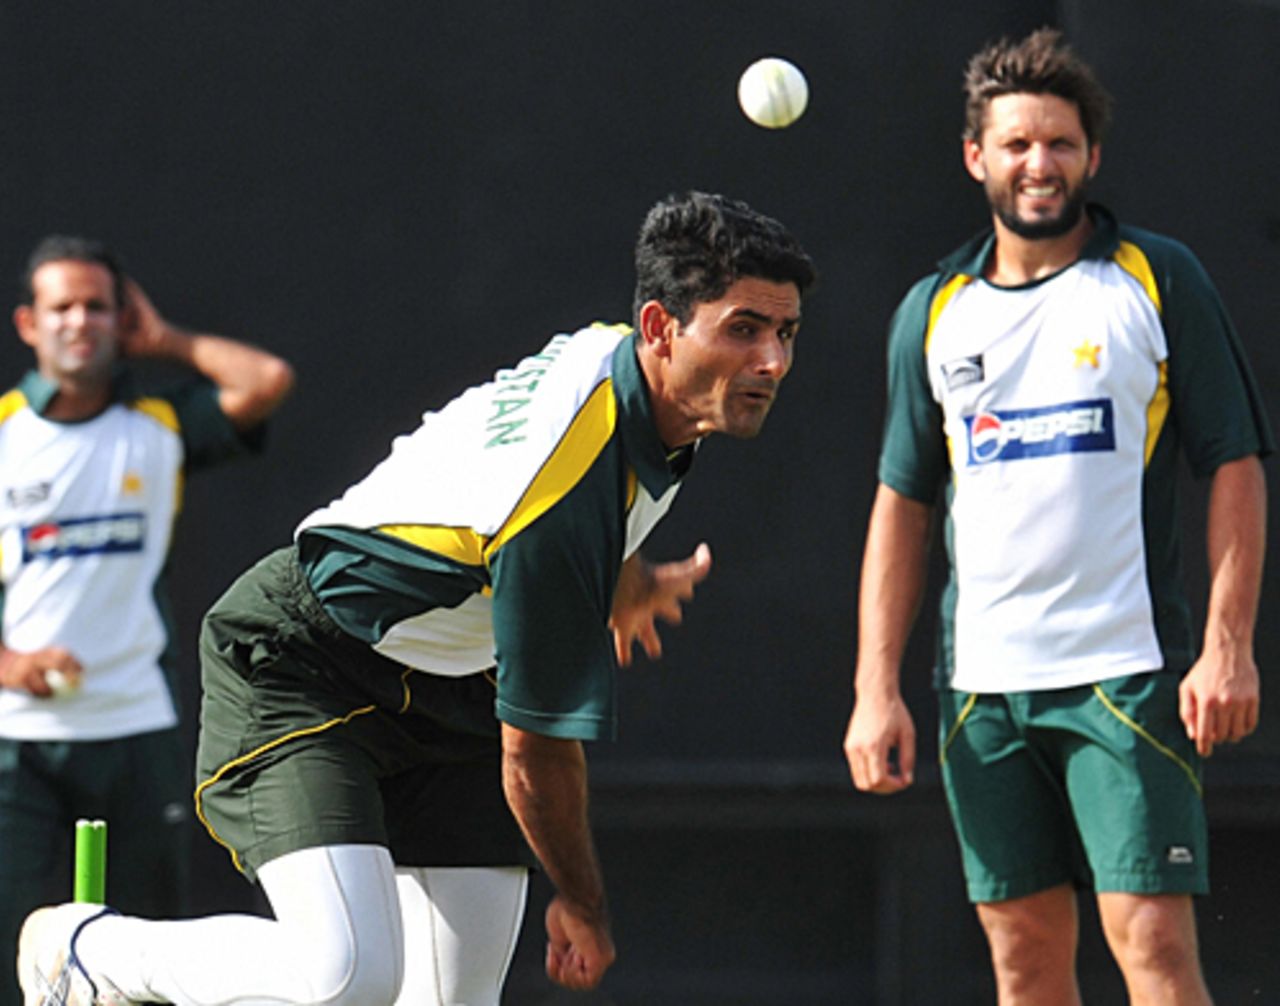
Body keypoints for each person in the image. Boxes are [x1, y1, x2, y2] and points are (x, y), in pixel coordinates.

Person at [17, 190, 817, 1005]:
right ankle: (92, 952)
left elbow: (554, 494)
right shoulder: (561, 491)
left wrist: (623, 570)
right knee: (348, 979)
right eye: (743, 328)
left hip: (449, 676)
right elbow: (535, 754)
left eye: (785, 333)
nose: (772, 363)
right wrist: (583, 903)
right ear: (659, 327)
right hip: (306, 665)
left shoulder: (630, 374)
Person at [843, 28, 1270, 1006]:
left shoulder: (1154, 280)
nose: (1038, 165)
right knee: (1022, 961)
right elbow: (902, 502)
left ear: (1091, 156)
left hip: (1120, 676)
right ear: (974, 157)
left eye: (1060, 144)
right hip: (980, 694)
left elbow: (1234, 463)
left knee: (1153, 944)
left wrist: (1226, 645)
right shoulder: (932, 310)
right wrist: (876, 689)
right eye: (1016, 144)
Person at [0, 235, 294, 1006]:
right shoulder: (5, 434)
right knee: (15, 950)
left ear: (121, 319)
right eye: (62, 306)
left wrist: (166, 341)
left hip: (136, 730)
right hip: (16, 742)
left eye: (98, 306)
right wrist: (8, 664)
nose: (80, 322)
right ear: (29, 323)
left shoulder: (158, 426)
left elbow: (266, 381)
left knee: (146, 953)